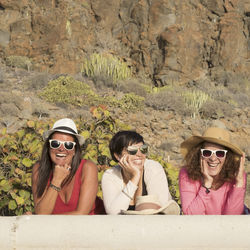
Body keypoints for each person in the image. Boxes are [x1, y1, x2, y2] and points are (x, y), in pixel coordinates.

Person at [32, 118, 105, 215]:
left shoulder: (87, 168)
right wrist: (56, 180)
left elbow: (81, 214)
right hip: (56, 229)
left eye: (68, 145)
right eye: (55, 144)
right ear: (48, 147)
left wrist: (44, 218)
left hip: (91, 227)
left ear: (75, 150)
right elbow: (41, 213)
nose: (61, 149)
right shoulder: (39, 169)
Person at [101, 130, 180, 215]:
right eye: (132, 150)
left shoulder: (153, 168)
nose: (140, 154)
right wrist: (135, 177)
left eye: (143, 149)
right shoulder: (111, 175)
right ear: (118, 156)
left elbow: (159, 208)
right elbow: (113, 213)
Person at [179, 127, 246, 215]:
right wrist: (206, 185)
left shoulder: (237, 176)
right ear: (198, 154)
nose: (213, 158)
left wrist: (239, 184)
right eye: (207, 152)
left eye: (220, 153)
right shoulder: (187, 174)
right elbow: (191, 216)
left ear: (227, 157)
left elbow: (233, 219)